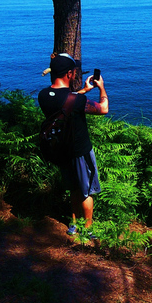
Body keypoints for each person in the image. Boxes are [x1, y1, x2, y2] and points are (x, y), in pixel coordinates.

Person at [38, 53, 108, 235]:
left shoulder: (44, 95)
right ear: (69, 74)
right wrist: (101, 88)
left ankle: (73, 224)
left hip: (62, 151)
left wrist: (83, 92)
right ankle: (88, 230)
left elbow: (64, 100)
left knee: (73, 187)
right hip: (80, 151)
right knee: (86, 191)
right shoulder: (77, 101)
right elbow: (103, 109)